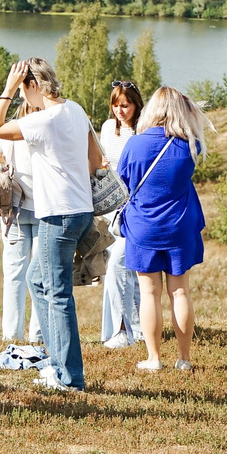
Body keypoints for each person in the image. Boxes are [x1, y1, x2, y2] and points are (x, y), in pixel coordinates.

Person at [0, 56, 103, 393]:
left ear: (33, 85)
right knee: (38, 281)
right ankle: (56, 362)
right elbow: (95, 160)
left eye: (23, 92)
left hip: (57, 215)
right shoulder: (76, 110)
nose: (23, 99)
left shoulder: (44, 121)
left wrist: (6, 90)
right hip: (79, 211)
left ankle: (70, 378)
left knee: (58, 293)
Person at [120, 86, 207, 374]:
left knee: (149, 293)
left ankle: (154, 358)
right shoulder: (189, 145)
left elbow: (125, 178)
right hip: (179, 226)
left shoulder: (134, 144)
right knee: (180, 292)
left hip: (143, 227)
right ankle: (184, 358)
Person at [0, 127, 44, 371]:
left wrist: (10, 161)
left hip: (14, 206)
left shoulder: (11, 126)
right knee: (42, 273)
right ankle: (38, 334)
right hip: (44, 206)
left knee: (14, 273)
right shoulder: (46, 123)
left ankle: (10, 334)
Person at [97, 80, 145, 348]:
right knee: (114, 266)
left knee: (124, 264)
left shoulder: (143, 129)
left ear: (136, 105)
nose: (120, 110)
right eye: (115, 105)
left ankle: (129, 329)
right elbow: (102, 159)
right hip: (112, 204)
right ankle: (120, 328)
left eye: (125, 105)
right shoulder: (107, 128)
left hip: (135, 205)